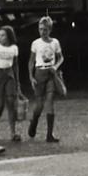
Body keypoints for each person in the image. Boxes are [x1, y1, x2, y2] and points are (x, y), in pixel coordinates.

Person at [27, 15, 64, 143]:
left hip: (50, 73)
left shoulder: (55, 43)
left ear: (50, 30)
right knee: (39, 104)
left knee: (50, 102)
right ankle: (34, 121)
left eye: (45, 29)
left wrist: (55, 66)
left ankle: (49, 134)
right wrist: (31, 77)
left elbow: (61, 57)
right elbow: (31, 61)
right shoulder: (36, 43)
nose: (42, 32)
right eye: (41, 29)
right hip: (39, 72)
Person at [0, 24, 24, 144]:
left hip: (9, 74)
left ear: (9, 36)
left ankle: (13, 132)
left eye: (3, 35)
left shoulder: (14, 48)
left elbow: (15, 65)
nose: (0, 37)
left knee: (11, 103)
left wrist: (17, 82)